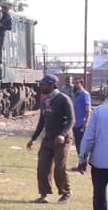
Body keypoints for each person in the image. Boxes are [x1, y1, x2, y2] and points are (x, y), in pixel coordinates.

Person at [27, 74, 74, 203]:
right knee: (43, 166)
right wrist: (33, 138)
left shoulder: (64, 99)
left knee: (60, 167)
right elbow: (41, 122)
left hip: (62, 140)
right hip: (48, 138)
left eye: (43, 84)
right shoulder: (44, 100)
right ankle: (44, 194)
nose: (40, 86)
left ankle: (65, 192)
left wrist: (62, 135)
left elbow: (71, 120)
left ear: (52, 85)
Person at [71, 78, 92, 155]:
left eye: (77, 83)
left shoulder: (85, 94)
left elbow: (88, 109)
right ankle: (80, 162)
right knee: (77, 144)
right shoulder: (76, 95)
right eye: (74, 83)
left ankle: (83, 163)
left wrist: (86, 122)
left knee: (81, 145)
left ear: (81, 84)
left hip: (81, 123)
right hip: (75, 123)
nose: (75, 85)